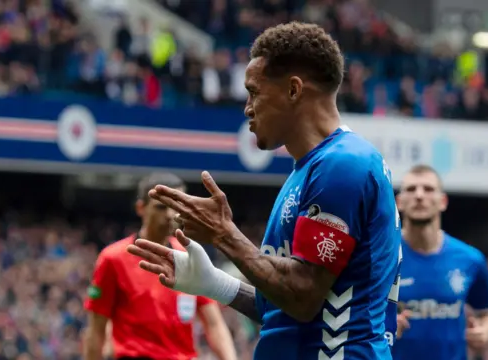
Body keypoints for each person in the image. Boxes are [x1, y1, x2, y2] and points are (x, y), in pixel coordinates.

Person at [126, 22, 402, 360]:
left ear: (293, 90)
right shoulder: (309, 172)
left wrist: (225, 236)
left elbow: (302, 297)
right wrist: (212, 283)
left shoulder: (343, 165)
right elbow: (281, 308)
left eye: (254, 91)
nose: (247, 107)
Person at [83, 173, 237, 360]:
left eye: (176, 207)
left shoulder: (191, 257)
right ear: (141, 208)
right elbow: (96, 330)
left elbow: (214, 324)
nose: (170, 215)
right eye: (161, 207)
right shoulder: (113, 259)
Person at [392, 165, 488, 360]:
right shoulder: (381, 256)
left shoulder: (470, 259)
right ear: (399, 202)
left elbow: (487, 312)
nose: (419, 196)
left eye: (428, 189)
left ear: (443, 201)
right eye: (411, 189)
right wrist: (383, 326)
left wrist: (484, 331)